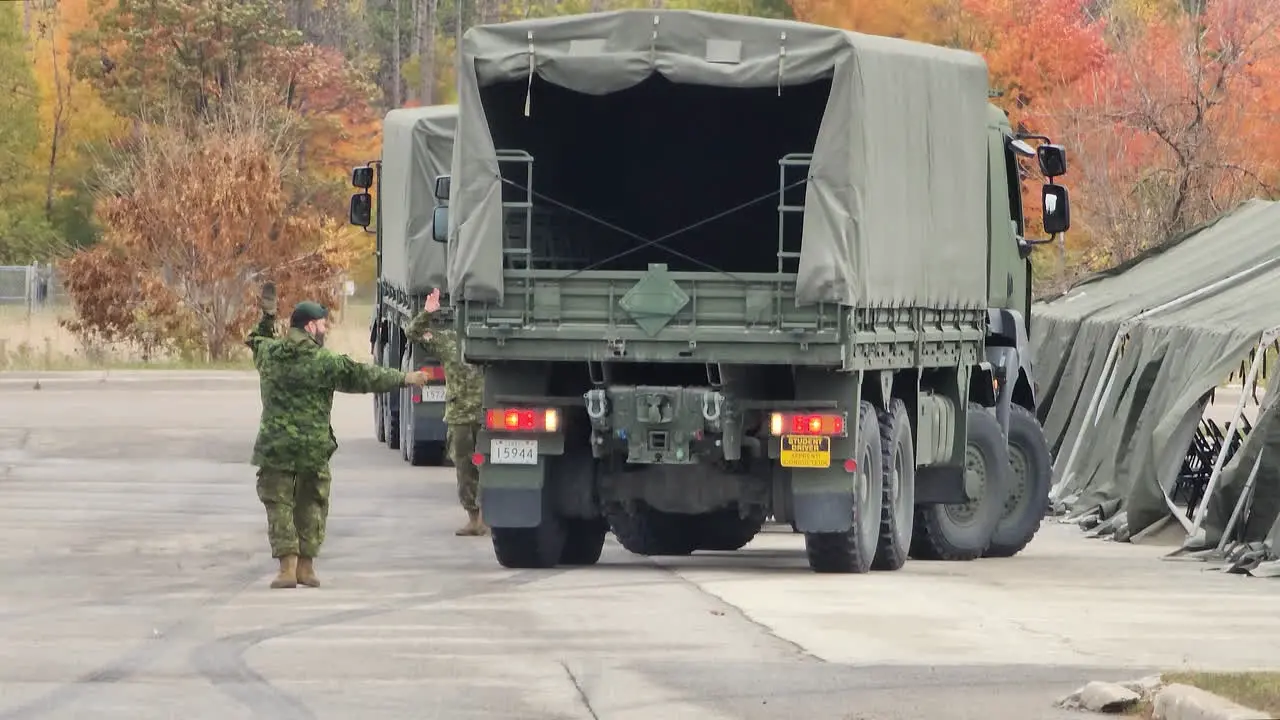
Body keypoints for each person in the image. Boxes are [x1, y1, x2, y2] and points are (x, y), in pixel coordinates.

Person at [247, 282, 429, 589]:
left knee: (278, 504)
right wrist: (406, 378)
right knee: (312, 504)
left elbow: (257, 340)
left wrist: (267, 316)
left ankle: (286, 567)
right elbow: (364, 376)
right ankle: (306, 566)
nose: (325, 330)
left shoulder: (270, 355)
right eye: (322, 324)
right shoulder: (325, 362)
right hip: (313, 447)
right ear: (310, 326)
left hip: (275, 445)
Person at [407, 287, 487, 536]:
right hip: (461, 416)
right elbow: (413, 333)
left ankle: (488, 515)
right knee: (465, 469)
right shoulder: (449, 341)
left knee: (490, 468)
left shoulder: (493, 340)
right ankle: (475, 518)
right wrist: (427, 313)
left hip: (486, 416)